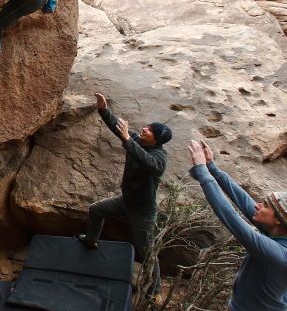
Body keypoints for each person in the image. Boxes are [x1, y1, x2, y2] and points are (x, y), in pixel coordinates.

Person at [77, 92, 172, 299]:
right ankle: (90, 240)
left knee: (147, 252)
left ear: (155, 140)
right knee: (96, 209)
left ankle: (154, 290)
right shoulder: (137, 140)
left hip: (143, 213)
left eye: (149, 130)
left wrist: (129, 139)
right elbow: (117, 128)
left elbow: (148, 163)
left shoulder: (159, 157)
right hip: (126, 201)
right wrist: (103, 110)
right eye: (147, 127)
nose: (144, 129)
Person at [187, 139, 287, 310]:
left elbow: (231, 218)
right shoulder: (278, 232)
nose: (258, 205)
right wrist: (212, 168)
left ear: (278, 219)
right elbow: (245, 202)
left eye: (265, 205)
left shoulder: (278, 255)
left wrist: (202, 171)